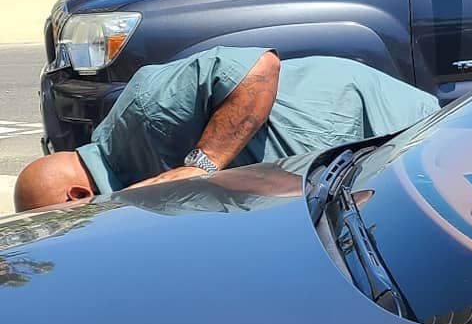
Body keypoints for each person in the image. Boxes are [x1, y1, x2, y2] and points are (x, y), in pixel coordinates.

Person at [15, 47, 439, 212]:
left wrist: (203, 163)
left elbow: (261, 66)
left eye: (63, 218)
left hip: (387, 124)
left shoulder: (140, 112)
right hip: (353, 172)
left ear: (77, 196)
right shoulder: (131, 185)